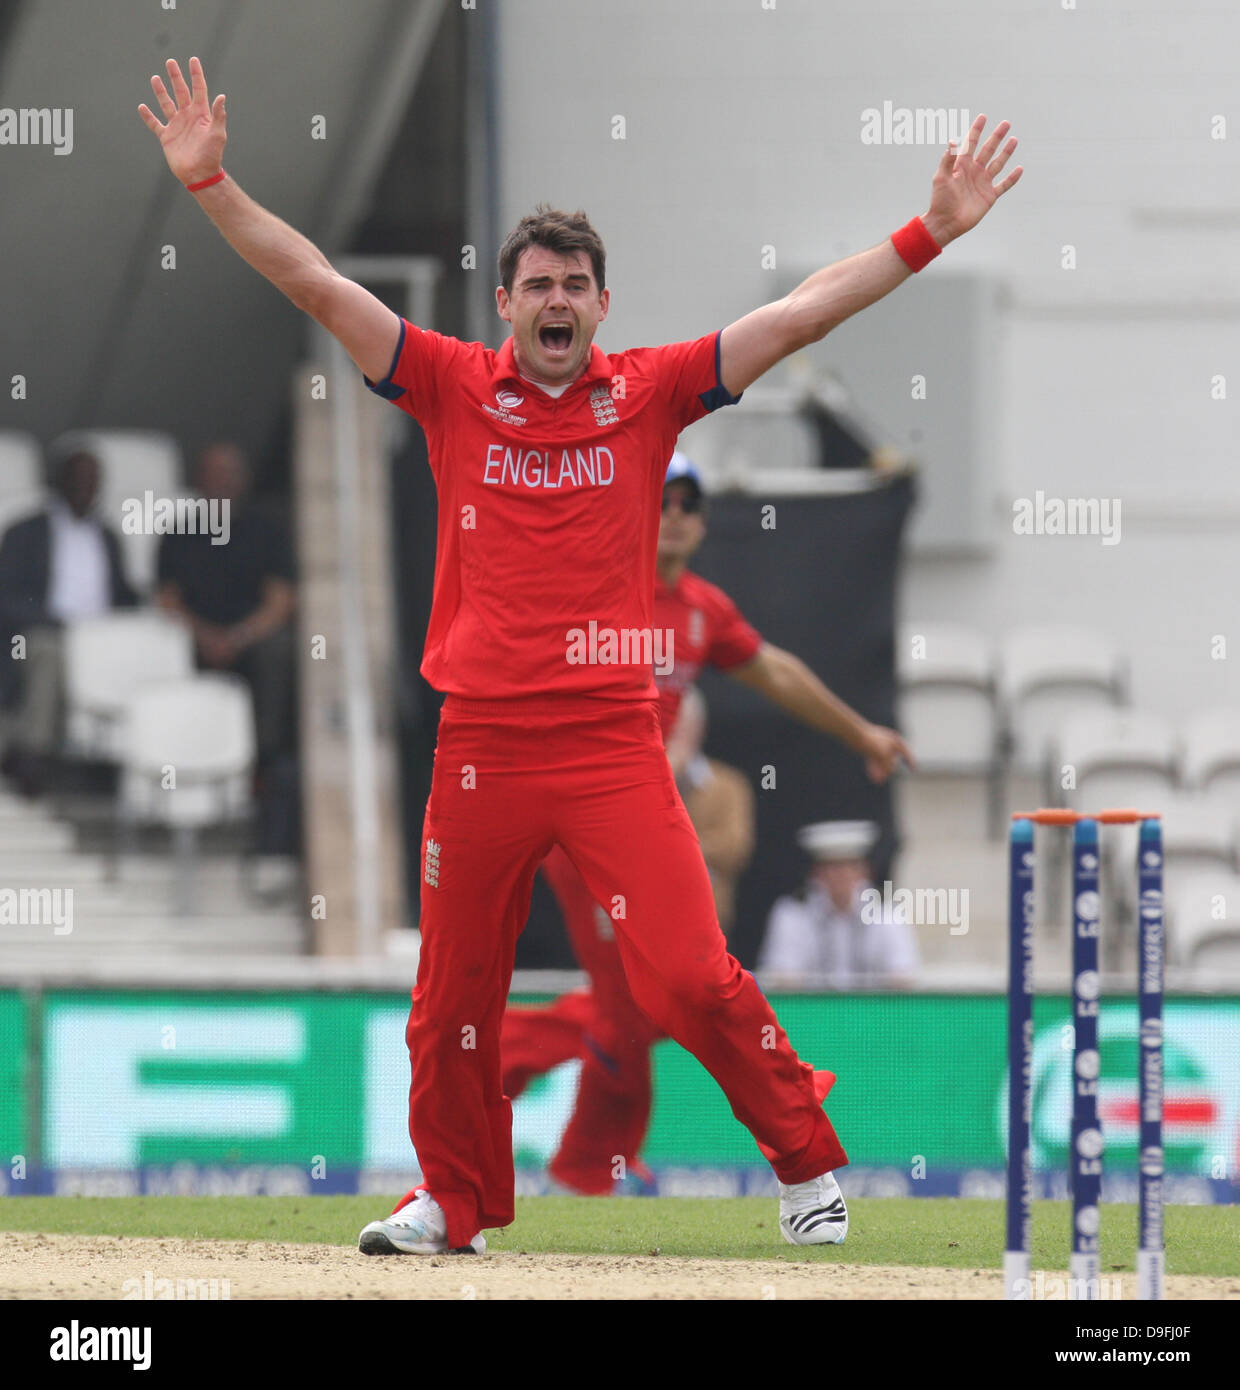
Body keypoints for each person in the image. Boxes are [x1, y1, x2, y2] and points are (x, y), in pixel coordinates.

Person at [139, 56, 1020, 1255]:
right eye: (537, 283)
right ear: (504, 301)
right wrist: (210, 188)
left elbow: (804, 310)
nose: (557, 299)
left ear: (603, 304)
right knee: (449, 1001)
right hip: (482, 744)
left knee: (692, 981)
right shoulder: (449, 383)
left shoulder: (651, 391)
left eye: (577, 284)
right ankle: (453, 1199)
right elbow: (315, 281)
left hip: (609, 744)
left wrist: (930, 231)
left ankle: (807, 1166)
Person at [500, 453, 915, 1194]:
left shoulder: (700, 608)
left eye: (692, 503)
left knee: (657, 1003)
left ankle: (570, 1140)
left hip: (635, 827)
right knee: (644, 1004)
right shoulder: (590, 586)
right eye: (664, 499)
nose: (681, 515)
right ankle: (571, 1121)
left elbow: (777, 672)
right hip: (578, 831)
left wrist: (861, 734)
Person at [155, 442, 298, 853]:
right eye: (213, 473)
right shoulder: (178, 532)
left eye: (229, 473)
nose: (222, 482)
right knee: (163, 649)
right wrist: (204, 636)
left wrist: (236, 638)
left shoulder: (267, 530)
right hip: (193, 641)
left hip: (250, 641)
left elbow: (281, 602)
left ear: (244, 480)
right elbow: (167, 601)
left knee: (278, 651)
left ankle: (263, 762)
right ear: (198, 481)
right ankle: (176, 770)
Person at [0, 445, 138, 796]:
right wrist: (61, 624)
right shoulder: (26, 533)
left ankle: (120, 766)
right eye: (78, 478)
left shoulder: (107, 537)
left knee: (143, 652)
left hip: (103, 636)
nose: (86, 487)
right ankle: (35, 756)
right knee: (49, 651)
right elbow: (8, 596)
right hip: (44, 632)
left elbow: (123, 595)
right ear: (60, 481)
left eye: (93, 480)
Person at [759, 820, 920, 989]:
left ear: (864, 871)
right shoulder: (793, 911)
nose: (842, 876)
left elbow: (904, 973)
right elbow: (781, 976)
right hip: (813, 1011)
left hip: (872, 1011)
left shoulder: (885, 910)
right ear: (816, 873)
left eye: (850, 867)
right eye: (833, 868)